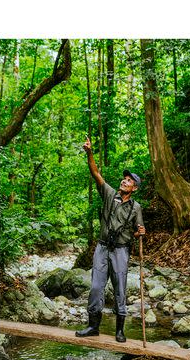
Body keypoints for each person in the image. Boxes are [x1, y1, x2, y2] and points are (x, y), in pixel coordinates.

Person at [75, 136, 145, 342]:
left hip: (121, 250)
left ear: (135, 188)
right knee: (96, 287)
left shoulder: (136, 207)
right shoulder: (109, 194)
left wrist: (140, 233)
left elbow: (139, 230)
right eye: (125, 178)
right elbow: (95, 173)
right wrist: (89, 152)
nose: (125, 180)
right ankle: (93, 326)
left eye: (129, 180)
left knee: (120, 289)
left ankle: (120, 330)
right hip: (102, 248)